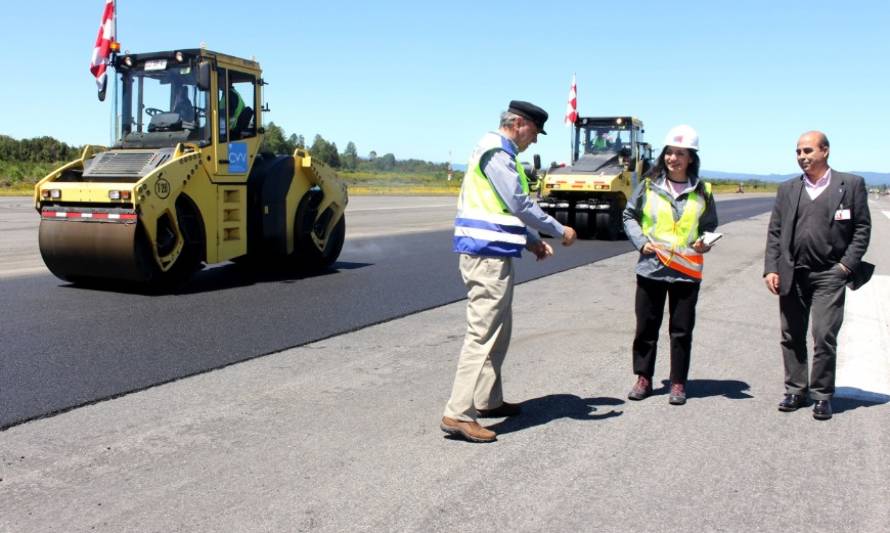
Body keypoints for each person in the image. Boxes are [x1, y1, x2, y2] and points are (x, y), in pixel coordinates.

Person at [441, 100, 578, 443]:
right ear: (518, 124)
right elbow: (519, 202)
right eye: (534, 131)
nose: (535, 140)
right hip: (485, 256)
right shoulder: (497, 152)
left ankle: (487, 399)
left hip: (494, 253)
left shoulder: (499, 152)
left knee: (499, 330)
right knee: (482, 333)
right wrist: (559, 230)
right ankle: (458, 413)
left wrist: (531, 240)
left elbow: (503, 208)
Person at [764, 131, 871, 420]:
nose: (802, 157)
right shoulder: (787, 189)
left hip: (829, 274)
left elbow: (862, 229)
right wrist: (771, 268)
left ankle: (822, 394)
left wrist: (845, 267)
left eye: (808, 151)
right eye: (798, 152)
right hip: (793, 272)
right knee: (791, 334)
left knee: (824, 335)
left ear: (825, 151)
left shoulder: (850, 185)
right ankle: (796, 390)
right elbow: (775, 232)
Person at [622, 125, 718, 405]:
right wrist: (640, 242)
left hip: (686, 272)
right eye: (669, 153)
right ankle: (643, 377)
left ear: (691, 158)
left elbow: (709, 227)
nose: (672, 158)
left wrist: (705, 242)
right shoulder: (649, 186)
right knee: (646, 328)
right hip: (651, 268)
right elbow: (629, 216)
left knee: (681, 330)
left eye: (680, 153)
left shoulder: (703, 190)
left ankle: (677, 382)